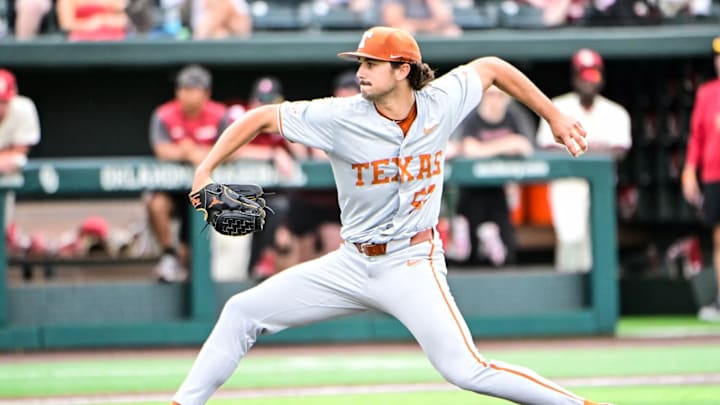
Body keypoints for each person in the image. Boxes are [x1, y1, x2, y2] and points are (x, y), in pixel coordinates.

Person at [174, 26, 609, 405]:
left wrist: (552, 115)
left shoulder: (441, 101)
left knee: (466, 370)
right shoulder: (338, 116)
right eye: (360, 61)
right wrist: (206, 168)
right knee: (241, 311)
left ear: (403, 70)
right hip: (350, 263)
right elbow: (262, 117)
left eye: (372, 63)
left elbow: (493, 66)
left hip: (411, 263)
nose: (361, 71)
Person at [536, 48, 631, 273]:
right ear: (574, 77)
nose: (588, 82)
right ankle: (568, 297)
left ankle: (597, 300)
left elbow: (619, 152)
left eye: (593, 76)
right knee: (570, 239)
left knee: (599, 242)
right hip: (567, 184)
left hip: (602, 188)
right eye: (583, 76)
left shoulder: (615, 112)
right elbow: (547, 150)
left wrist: (577, 151)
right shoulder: (556, 107)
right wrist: (594, 152)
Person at [147, 64, 228, 282]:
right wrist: (186, 152)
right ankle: (168, 256)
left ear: (206, 93)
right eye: (183, 88)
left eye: (193, 89)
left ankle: (188, 267)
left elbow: (231, 150)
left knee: (194, 252)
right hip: (172, 187)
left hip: (206, 189)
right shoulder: (164, 114)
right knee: (156, 204)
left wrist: (200, 153)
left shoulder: (219, 114)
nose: (187, 94)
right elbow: (162, 150)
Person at [449, 85, 535, 267]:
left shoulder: (514, 116)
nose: (494, 100)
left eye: (500, 95)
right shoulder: (472, 117)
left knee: (506, 251)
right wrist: (506, 145)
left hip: (501, 190)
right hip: (471, 192)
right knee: (469, 254)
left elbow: (525, 145)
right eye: (490, 95)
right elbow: (468, 149)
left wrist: (487, 149)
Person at [283, 71, 359, 268]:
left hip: (336, 201)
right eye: (343, 93)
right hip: (306, 199)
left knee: (335, 251)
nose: (347, 98)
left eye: (352, 93)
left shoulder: (365, 122)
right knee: (300, 258)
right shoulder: (321, 114)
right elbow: (293, 135)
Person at [681, 36, 720, 322]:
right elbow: (697, 136)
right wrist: (689, 170)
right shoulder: (707, 93)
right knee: (719, 238)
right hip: (713, 175)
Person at [0, 69, 41, 257]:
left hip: (6, 173)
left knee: (12, 169)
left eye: (3, 102)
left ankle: (6, 232)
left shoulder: (23, 109)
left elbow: (18, 152)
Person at [56, 0, 129, 41]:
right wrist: (88, 24)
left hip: (114, 40)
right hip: (82, 41)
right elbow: (66, 24)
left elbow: (124, 20)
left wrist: (102, 20)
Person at [380, 0, 462, 37]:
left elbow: (445, 20)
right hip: (405, 35)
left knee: (452, 31)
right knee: (406, 30)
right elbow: (394, 21)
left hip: (429, 31)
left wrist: (433, 2)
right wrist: (428, 25)